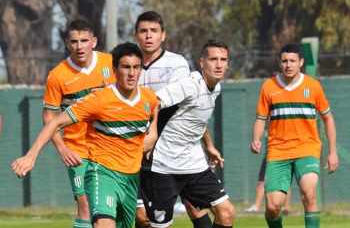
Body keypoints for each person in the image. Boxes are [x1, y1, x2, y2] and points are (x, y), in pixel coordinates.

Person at [11, 42, 159, 228]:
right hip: (102, 172)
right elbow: (55, 122)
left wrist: (153, 131)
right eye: (126, 67)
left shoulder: (148, 98)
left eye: (136, 67)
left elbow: (155, 108)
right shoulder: (98, 100)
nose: (131, 73)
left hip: (130, 177)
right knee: (103, 223)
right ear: (114, 69)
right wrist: (30, 157)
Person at [140, 39, 235, 228]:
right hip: (163, 165)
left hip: (194, 164)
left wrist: (209, 145)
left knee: (226, 213)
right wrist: (152, 134)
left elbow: (197, 120)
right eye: (213, 59)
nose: (218, 64)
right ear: (202, 62)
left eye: (223, 60)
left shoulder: (216, 88)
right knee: (153, 224)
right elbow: (155, 101)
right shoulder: (190, 84)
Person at [134, 11, 213, 228]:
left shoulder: (176, 63)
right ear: (136, 36)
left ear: (163, 35)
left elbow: (186, 108)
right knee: (142, 216)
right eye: (143, 31)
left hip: (173, 148)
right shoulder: (129, 64)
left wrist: (208, 144)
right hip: (137, 149)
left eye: (154, 31)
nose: (148, 36)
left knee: (196, 208)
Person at [250, 43, 339, 228]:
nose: (288, 65)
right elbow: (260, 118)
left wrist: (332, 152)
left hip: (307, 148)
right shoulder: (269, 87)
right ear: (279, 63)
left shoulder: (313, 86)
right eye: (284, 61)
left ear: (301, 62)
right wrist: (256, 139)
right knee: (273, 207)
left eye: (292, 61)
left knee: (309, 191)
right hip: (278, 151)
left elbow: (328, 119)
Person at [44, 19, 116, 228]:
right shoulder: (57, 75)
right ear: (67, 43)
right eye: (74, 41)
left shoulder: (111, 64)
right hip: (77, 149)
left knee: (112, 206)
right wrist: (62, 148)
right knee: (84, 205)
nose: (79, 46)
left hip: (110, 146)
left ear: (94, 41)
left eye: (84, 40)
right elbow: (49, 116)